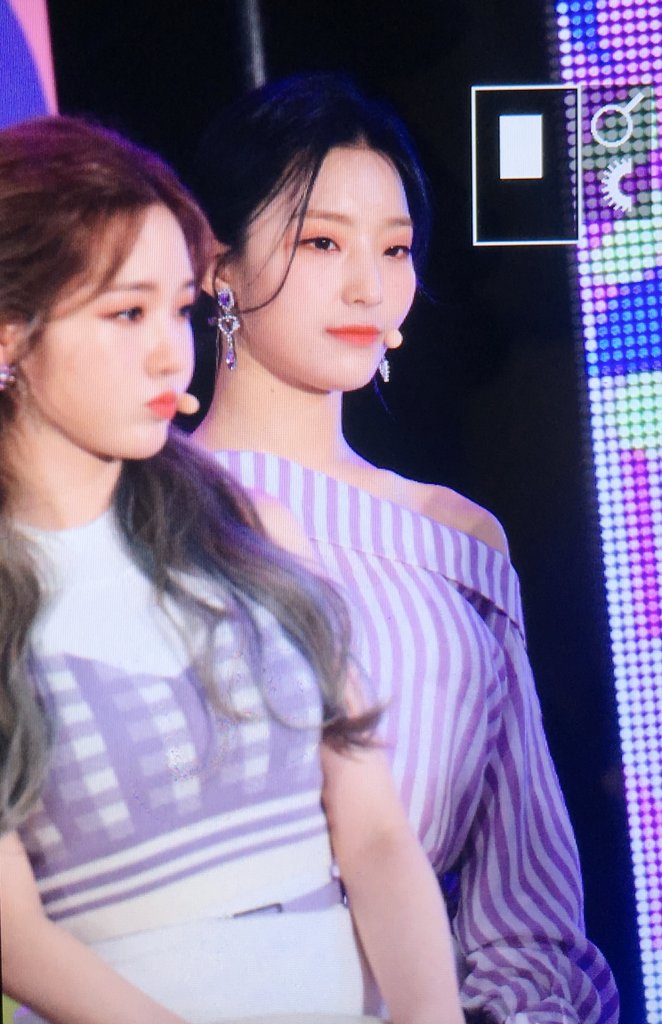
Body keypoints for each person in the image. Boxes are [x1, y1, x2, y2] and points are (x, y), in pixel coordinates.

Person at [0, 115, 465, 1024]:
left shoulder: (251, 532)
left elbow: (376, 836)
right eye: (127, 313)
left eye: (178, 309)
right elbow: (15, 935)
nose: (169, 350)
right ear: (12, 332)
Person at [190, 73, 620, 1024]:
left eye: (394, 249)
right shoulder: (146, 510)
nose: (369, 285)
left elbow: (527, 899)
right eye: (322, 242)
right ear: (219, 265)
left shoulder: (455, 540)